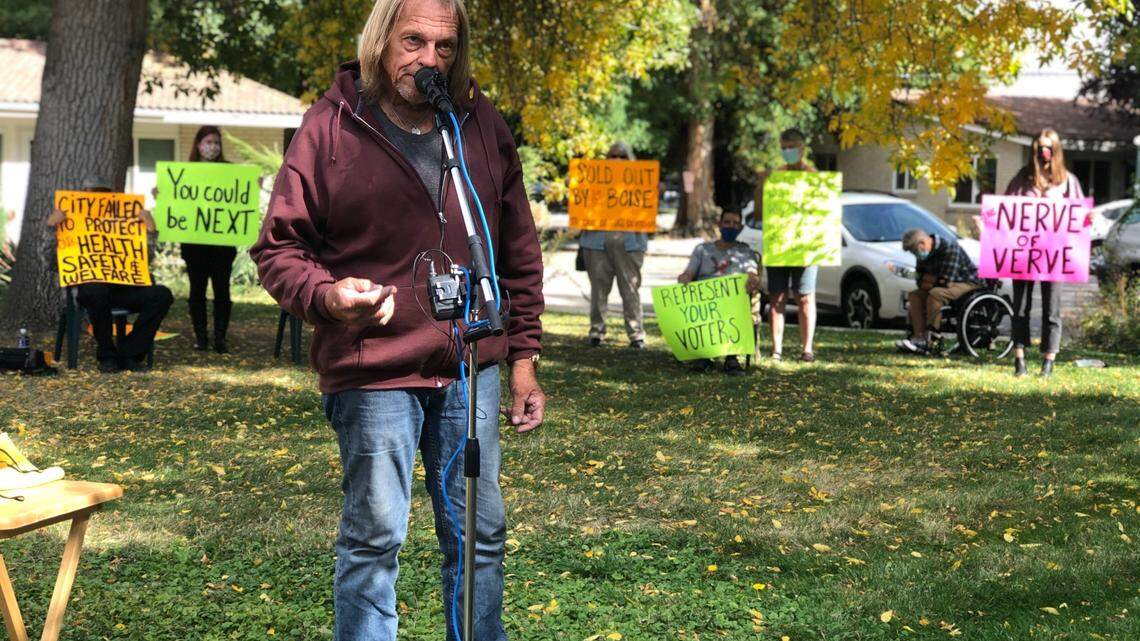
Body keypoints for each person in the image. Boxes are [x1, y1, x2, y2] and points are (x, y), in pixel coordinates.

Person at [249, 1, 545, 639]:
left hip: (471, 368)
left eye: (444, 46)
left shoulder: (479, 125)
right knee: (375, 537)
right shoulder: (330, 127)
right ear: (381, 41)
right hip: (374, 369)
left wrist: (522, 362)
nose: (428, 59)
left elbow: (517, 251)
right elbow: (278, 250)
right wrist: (327, 296)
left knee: (479, 536)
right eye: (414, 42)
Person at [48, 177, 173, 372]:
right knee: (96, 291)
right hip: (91, 290)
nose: (98, 199)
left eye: (103, 194)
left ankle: (129, 354)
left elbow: (145, 259)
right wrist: (51, 227)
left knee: (162, 295)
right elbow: (50, 262)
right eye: (92, 194)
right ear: (83, 195)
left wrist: (150, 230)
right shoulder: (69, 221)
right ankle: (107, 356)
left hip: (124, 288)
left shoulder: (126, 220)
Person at [1003, 128, 1085, 378]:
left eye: (1048, 147)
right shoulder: (1022, 178)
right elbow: (1006, 210)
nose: (1044, 152)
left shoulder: (1067, 181)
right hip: (1024, 252)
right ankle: (1019, 360)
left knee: (1052, 310)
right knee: (1020, 307)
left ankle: (1048, 362)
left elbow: (1078, 215)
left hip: (1054, 254)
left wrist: (1085, 218)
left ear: (1056, 150)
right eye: (1039, 148)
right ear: (1034, 151)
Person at [756, 128, 820, 362]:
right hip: (779, 244)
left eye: (791, 147)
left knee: (805, 297)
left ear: (802, 148)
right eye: (783, 148)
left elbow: (823, 216)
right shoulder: (775, 176)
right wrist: (760, 185)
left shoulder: (814, 177)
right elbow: (761, 213)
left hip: (806, 247)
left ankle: (807, 349)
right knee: (777, 297)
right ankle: (776, 351)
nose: (787, 152)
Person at [580, 142, 648, 349]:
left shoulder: (639, 182)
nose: (617, 160)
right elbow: (577, 196)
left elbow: (648, 203)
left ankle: (636, 334)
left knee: (630, 289)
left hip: (630, 244)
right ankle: (596, 331)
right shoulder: (594, 180)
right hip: (595, 243)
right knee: (598, 290)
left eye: (622, 156)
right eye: (613, 155)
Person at [677, 210, 761, 375]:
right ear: (720, 224)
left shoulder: (745, 252)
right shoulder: (702, 249)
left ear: (741, 227)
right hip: (704, 301)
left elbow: (753, 273)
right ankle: (703, 357)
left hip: (732, 302)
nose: (731, 226)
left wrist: (753, 280)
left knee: (735, 307)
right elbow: (688, 273)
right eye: (727, 222)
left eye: (735, 223)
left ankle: (732, 358)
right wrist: (684, 278)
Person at [182, 125, 237, 353]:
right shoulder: (186, 172)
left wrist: (253, 188)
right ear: (198, 145)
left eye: (216, 143)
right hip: (194, 244)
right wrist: (162, 193)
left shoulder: (231, 172)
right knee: (197, 291)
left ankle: (220, 338)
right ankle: (201, 338)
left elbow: (239, 197)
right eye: (208, 142)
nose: (213, 147)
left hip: (222, 245)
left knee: (222, 291)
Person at [895, 228, 980, 354]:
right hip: (944, 284)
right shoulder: (924, 252)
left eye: (914, 251)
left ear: (922, 244)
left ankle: (932, 338)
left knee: (936, 294)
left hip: (968, 282)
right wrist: (930, 280)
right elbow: (920, 281)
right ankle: (919, 338)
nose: (916, 255)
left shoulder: (949, 248)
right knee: (915, 296)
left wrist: (927, 279)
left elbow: (946, 282)